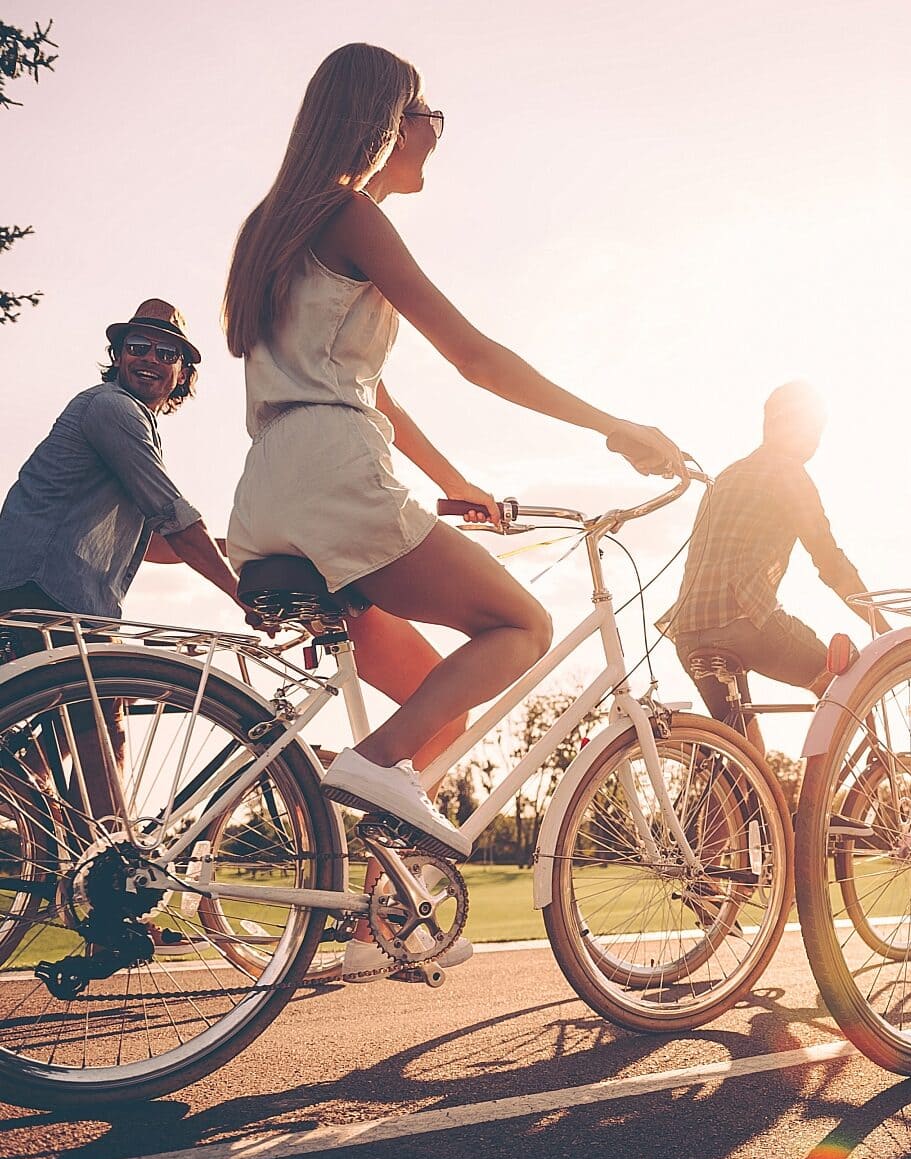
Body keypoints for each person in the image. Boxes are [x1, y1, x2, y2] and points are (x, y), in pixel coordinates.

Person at [222, 43, 681, 980]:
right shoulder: (350, 213)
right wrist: (612, 426)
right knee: (520, 624)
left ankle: (372, 921)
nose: (436, 132)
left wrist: (454, 478)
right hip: (334, 476)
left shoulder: (272, 225)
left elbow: (366, 390)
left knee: (437, 713)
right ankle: (370, 769)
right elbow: (472, 354)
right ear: (388, 120)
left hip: (269, 485)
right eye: (427, 113)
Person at [0, 300, 249, 823]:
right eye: (137, 347)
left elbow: (158, 541)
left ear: (182, 373)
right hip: (41, 592)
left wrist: (244, 550)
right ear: (116, 355)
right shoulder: (111, 409)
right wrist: (242, 593)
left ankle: (46, 817)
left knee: (82, 720)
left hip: (60, 597)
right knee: (100, 710)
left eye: (167, 352)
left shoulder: (129, 421)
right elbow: (175, 520)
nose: (150, 358)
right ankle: (118, 870)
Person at [658, 381, 885, 746]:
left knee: (743, 756)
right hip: (746, 620)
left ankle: (739, 801)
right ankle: (835, 789)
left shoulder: (726, 476)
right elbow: (830, 563)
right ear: (782, 425)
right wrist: (881, 623)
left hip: (687, 632)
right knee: (846, 686)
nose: (816, 440)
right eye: (812, 428)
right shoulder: (788, 474)